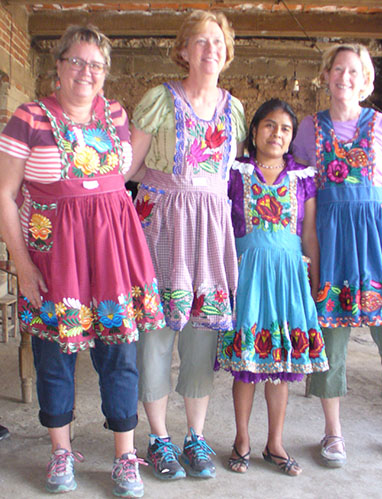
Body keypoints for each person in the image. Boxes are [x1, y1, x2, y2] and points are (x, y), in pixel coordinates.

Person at [0, 25, 165, 497]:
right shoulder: (29, 117)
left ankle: (125, 456)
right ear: (58, 65)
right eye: (76, 61)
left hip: (111, 257)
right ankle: (60, 451)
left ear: (105, 72)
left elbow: (118, 183)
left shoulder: (116, 115)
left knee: (119, 355)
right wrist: (22, 264)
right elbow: (5, 194)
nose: (85, 72)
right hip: (54, 258)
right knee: (54, 355)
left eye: (95, 65)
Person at [292, 43, 382, 467]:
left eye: (354, 71)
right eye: (338, 69)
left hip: (380, 245)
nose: (345, 77)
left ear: (367, 81)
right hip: (331, 244)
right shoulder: (308, 129)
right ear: (326, 76)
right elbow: (300, 192)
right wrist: (306, 256)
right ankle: (333, 433)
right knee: (331, 341)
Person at [126, 10, 247, 480]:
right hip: (163, 226)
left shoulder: (234, 110)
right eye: (200, 41)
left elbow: (229, 175)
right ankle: (159, 437)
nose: (210, 49)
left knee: (202, 335)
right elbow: (129, 168)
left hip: (210, 232)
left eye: (218, 42)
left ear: (227, 52)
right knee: (156, 335)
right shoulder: (160, 99)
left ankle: (195, 436)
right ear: (183, 50)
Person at [217, 99, 328, 475]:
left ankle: (275, 443)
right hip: (248, 276)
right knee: (246, 366)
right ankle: (242, 440)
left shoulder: (303, 178)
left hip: (288, 279)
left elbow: (308, 234)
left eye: (284, 128)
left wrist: (315, 281)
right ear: (254, 131)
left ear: (292, 136)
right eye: (268, 125)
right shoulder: (235, 173)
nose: (276, 134)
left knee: (281, 365)